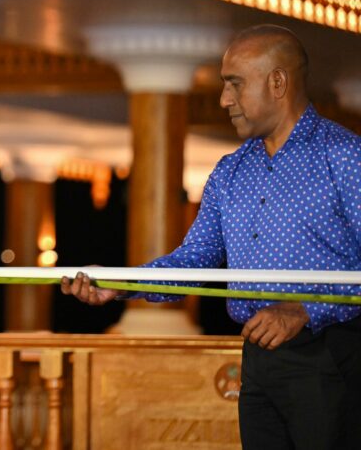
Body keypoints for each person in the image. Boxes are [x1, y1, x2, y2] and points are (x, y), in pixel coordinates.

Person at [61, 24, 361, 449]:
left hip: (331, 358)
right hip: (257, 363)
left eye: (235, 84)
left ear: (278, 82)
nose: (223, 99)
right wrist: (119, 282)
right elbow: (194, 259)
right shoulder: (229, 171)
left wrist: (305, 309)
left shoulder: (345, 157)